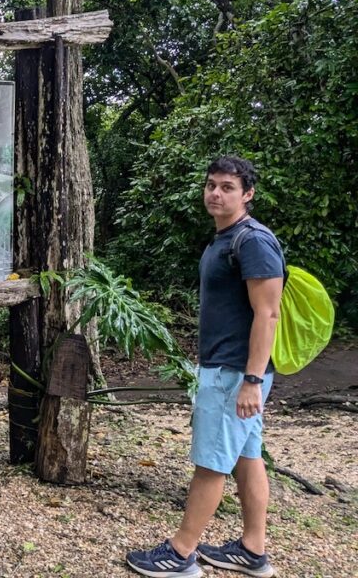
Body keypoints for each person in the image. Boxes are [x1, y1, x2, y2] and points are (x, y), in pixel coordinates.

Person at [126, 156, 285, 578]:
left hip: (234, 373)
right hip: (229, 370)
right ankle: (253, 551)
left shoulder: (252, 241)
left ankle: (180, 555)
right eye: (211, 185)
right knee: (247, 457)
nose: (216, 193)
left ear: (247, 194)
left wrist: (251, 379)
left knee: (211, 461)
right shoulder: (224, 239)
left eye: (228, 187)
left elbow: (268, 315)